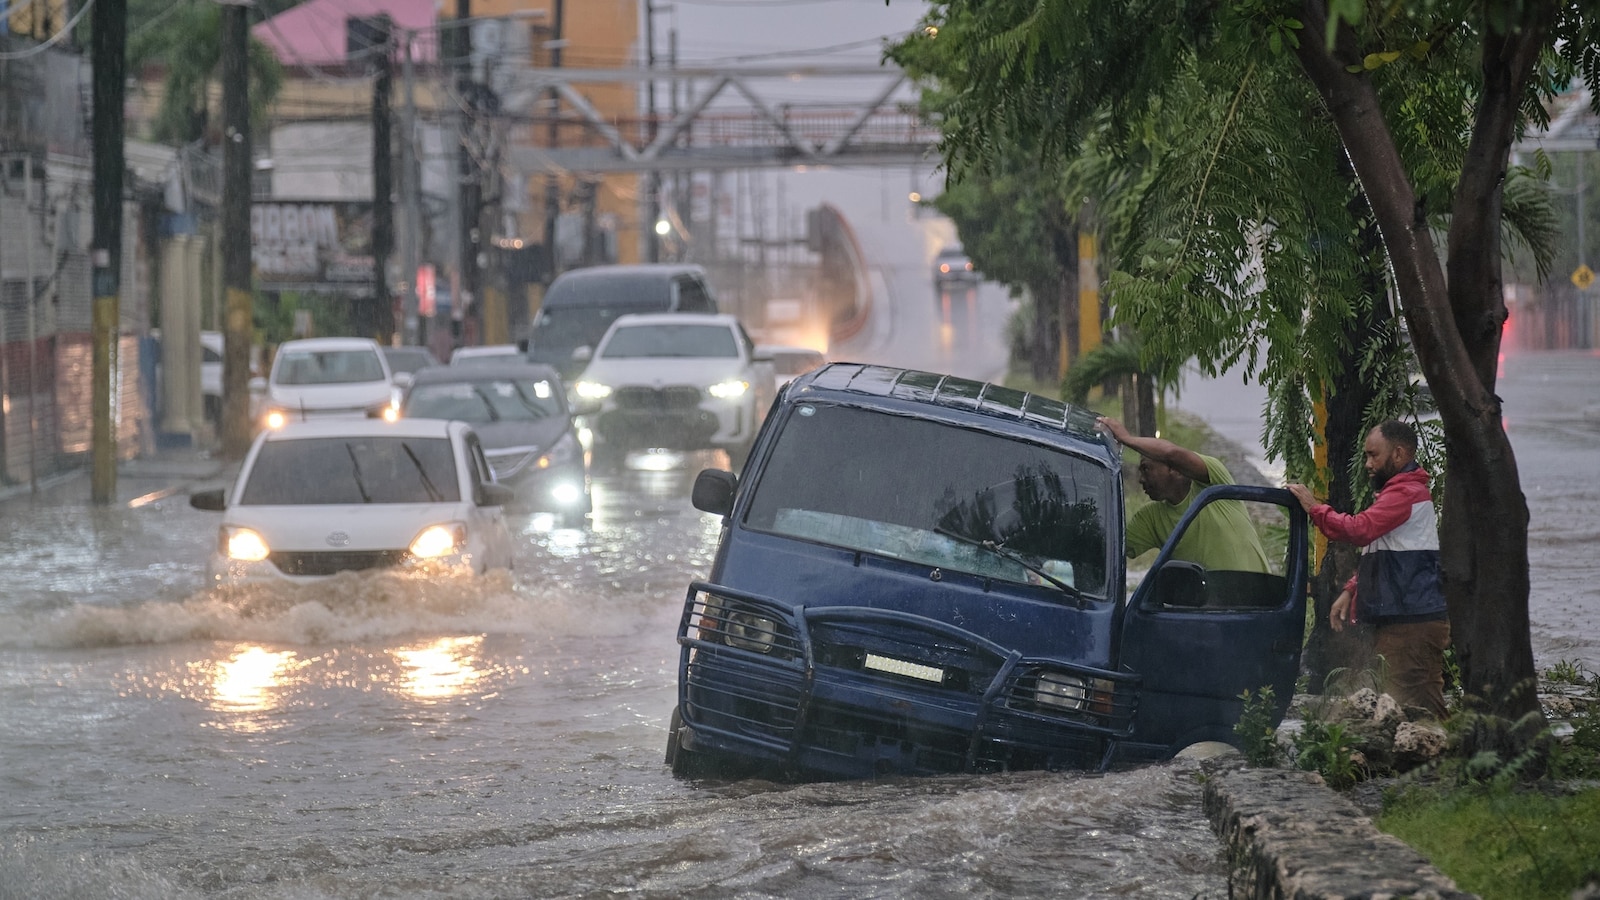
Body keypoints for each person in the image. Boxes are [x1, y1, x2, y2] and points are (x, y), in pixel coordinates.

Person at [1286, 420, 1449, 718]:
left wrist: (1314, 507)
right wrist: (1351, 590)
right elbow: (1386, 553)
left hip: (1411, 625)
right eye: (1366, 456)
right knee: (1410, 708)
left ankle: (1452, 760)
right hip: (1404, 621)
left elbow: (1360, 530)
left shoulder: (1405, 495)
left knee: (1418, 710)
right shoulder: (1398, 493)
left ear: (1398, 454)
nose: (1367, 464)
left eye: (1374, 455)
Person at [1098, 416, 1271, 573]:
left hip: (1259, 602)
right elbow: (1109, 547)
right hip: (1208, 607)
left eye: (1146, 469)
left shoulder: (1214, 482)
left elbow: (1172, 454)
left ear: (1175, 469)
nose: (1141, 480)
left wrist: (1127, 439)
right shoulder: (1151, 518)